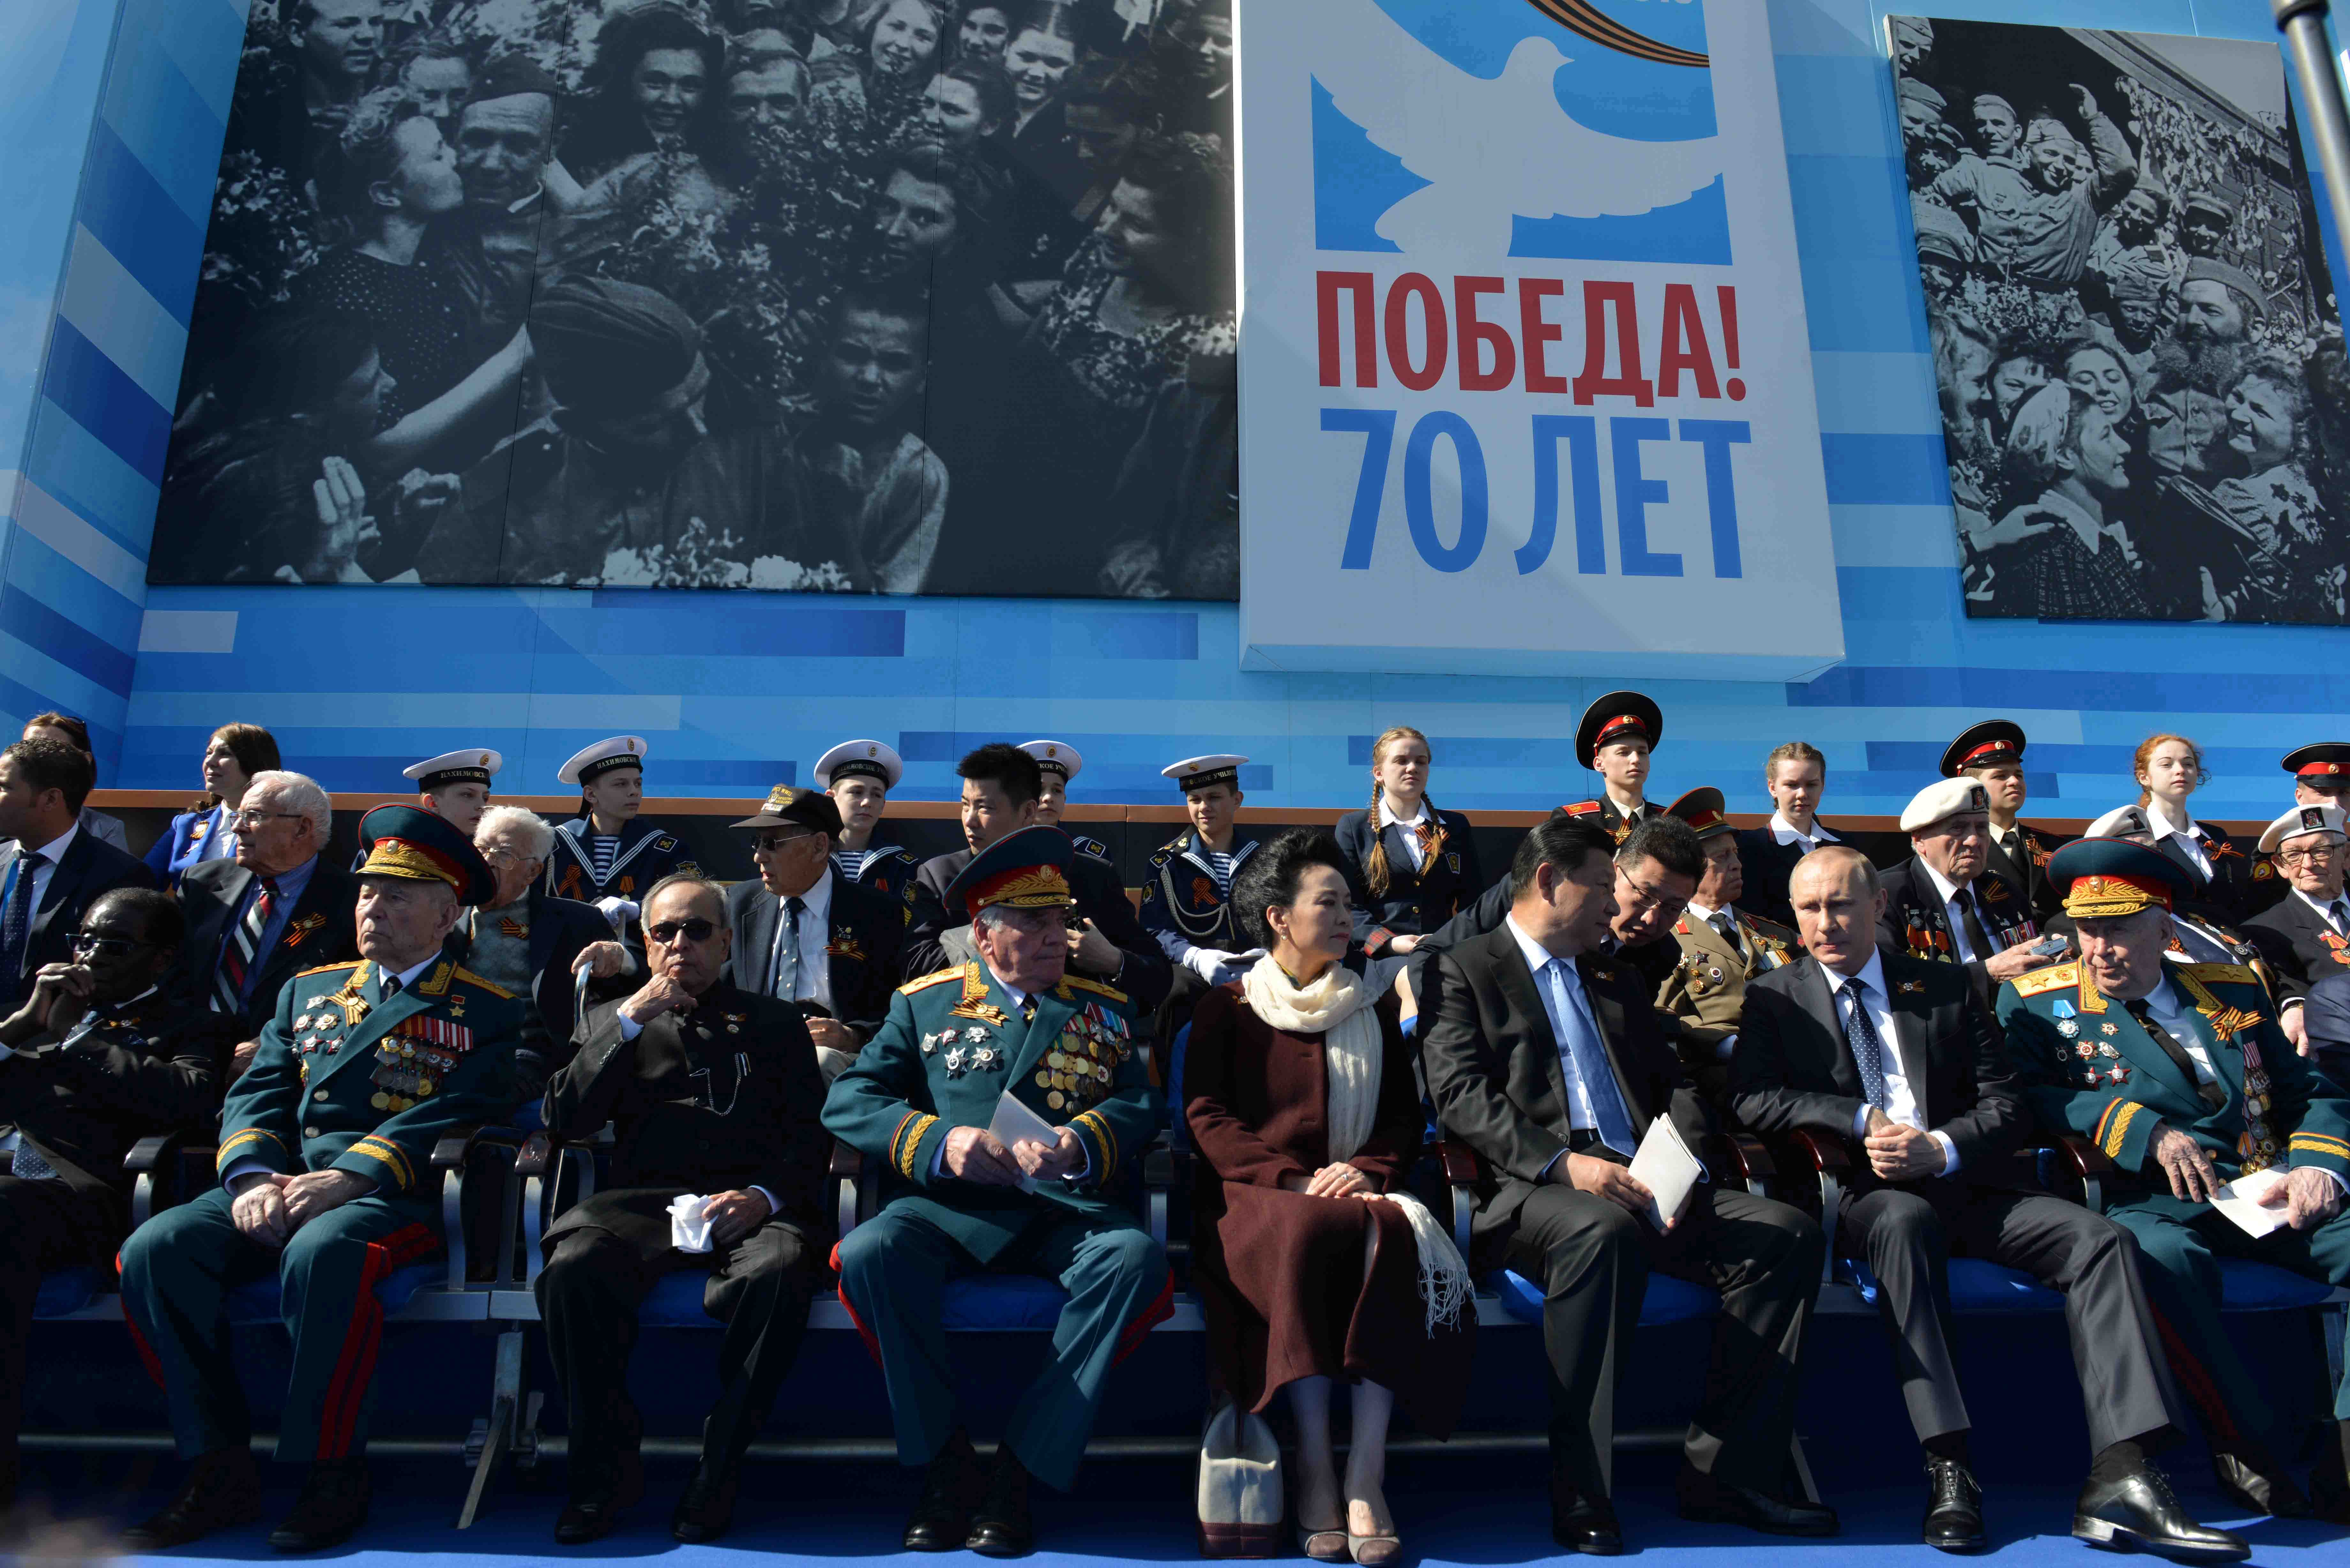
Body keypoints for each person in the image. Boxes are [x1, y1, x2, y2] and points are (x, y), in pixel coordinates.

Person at [1736, 845, 2233, 1555]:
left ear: (1877, 906)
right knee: (1905, 1221)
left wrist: (1939, 1146)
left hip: (1970, 1183)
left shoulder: (1941, 986)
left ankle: (2123, 1473)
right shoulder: (1774, 996)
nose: (1826, 923)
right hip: (1866, 1196)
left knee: (2101, 1240)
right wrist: (1856, 1119)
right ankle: (1949, 1464)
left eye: (1841, 904)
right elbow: (1754, 1098)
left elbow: (2007, 1104)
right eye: (1809, 909)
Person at [1418, 814, 1832, 1552]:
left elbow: (1672, 1082)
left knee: (1785, 1235)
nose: (1615, 907)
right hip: (1533, 1187)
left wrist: (1676, 1159)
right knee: (1599, 1231)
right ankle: (1582, 1485)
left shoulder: (1612, 972)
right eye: (1602, 887)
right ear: (1549, 880)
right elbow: (1462, 1097)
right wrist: (1565, 1162)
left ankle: (1727, 1471)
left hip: (1640, 1177)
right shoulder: (1463, 965)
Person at [118, 805, 524, 1552]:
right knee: (156, 1246)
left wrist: (351, 1174)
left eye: (397, 896)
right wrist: (250, 1176)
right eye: (368, 891)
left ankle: (329, 1470)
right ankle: (216, 1465)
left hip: (395, 1193)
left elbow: (470, 1105)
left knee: (325, 1251)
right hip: (283, 1180)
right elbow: (259, 1090)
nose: (373, 906)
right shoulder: (310, 990)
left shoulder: (489, 1007)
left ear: (445, 913)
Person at [825, 825, 1169, 1556]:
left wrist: (1083, 1140)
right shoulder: (924, 1003)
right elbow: (851, 1097)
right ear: (984, 932)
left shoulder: (1101, 1008)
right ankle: (945, 1463)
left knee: (1133, 1256)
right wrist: (939, 1141)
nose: (1057, 934)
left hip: (1062, 1209)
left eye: (1061, 919)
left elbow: (1141, 1103)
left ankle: (1020, 1468)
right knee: (870, 1249)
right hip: (949, 1206)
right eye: (1036, 921)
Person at [2003, 838, 2350, 1525]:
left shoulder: (2227, 987)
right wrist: (2139, 1129)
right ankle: (2243, 1441)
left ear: (2164, 929)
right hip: (2149, 1198)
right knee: (2161, 1261)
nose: (2098, 947)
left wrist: (2316, 1163)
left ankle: (2343, 1453)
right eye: (2085, 928)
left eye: (2117, 928)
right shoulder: (2034, 1002)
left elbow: (2308, 1089)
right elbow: (2024, 1097)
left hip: (2263, 1186)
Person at [1184, 830, 1472, 1565]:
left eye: (1349, 902)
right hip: (1255, 1197)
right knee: (1311, 1232)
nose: (1348, 916)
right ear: (1279, 916)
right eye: (1329, 902)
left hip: (1353, 1187)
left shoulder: (1368, 1003)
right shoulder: (1230, 1006)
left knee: (1391, 1232)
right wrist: (1290, 1178)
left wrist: (1370, 1169)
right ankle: (1313, 1460)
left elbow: (1404, 1119)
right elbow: (1209, 1117)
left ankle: (1364, 1473)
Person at [537, 874, 830, 1544]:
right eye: (664, 932)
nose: (680, 945)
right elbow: (567, 1118)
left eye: (697, 930)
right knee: (574, 1264)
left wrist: (764, 1197)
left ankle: (718, 1466)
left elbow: (810, 1137)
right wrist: (631, 1018)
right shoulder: (614, 1018)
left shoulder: (777, 1022)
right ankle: (603, 1471)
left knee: (780, 1270)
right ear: (644, 943)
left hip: (749, 1198)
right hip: (646, 1199)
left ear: (726, 941)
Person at [0, 890, 233, 1509]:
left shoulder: (188, 1023)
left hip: (79, 1191)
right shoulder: (31, 1013)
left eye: (115, 944)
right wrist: (23, 1024)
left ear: (158, 961)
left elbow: (188, 1098)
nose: (92, 954)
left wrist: (75, 1040)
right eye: (84, 939)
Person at [900, 744, 1169, 1011]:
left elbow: (1158, 976)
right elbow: (914, 967)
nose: (969, 820)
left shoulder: (1093, 877)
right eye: (965, 805)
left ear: (1028, 811)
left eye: (985, 808)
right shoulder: (940, 876)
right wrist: (1000, 950)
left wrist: (1112, 960)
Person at [295, 88, 473, 430]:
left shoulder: (427, 256)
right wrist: (514, 360)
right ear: (386, 195)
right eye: (437, 156)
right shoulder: (349, 294)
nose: (455, 158)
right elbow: (377, 444)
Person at [722, 784, 903, 1079]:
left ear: (820, 846)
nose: (759, 856)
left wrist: (853, 1036)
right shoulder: (738, 904)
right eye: (757, 842)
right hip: (751, 1044)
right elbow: (719, 987)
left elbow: (896, 1005)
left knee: (815, 1063)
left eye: (773, 843)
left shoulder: (877, 913)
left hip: (834, 1055)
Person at [175, 770, 359, 1047]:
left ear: (302, 828)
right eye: (238, 816)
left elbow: (353, 998)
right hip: (185, 1044)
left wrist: (272, 1048)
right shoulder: (200, 883)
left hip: (282, 1061)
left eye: (254, 816)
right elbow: (168, 973)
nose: (238, 827)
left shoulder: (352, 901)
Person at [460, 807, 629, 1101]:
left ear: (533, 872)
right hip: (447, 1041)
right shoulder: (443, 913)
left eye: (504, 855)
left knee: (486, 1086)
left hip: (526, 1052)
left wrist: (618, 955)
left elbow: (623, 994)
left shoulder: (576, 921)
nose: (487, 861)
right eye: (482, 848)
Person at [792, 289, 948, 595]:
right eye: (852, 355)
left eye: (894, 363)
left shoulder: (920, 475)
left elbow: (885, 610)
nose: (869, 378)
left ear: (923, 378)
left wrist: (840, 516)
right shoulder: (787, 439)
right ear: (825, 357)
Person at [1653, 788, 1800, 1108]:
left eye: (1735, 854)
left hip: (1790, 1066)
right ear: (1689, 870)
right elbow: (1660, 1019)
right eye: (1722, 858)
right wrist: (1725, 1044)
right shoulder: (1663, 936)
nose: (1736, 865)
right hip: (1717, 1078)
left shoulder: (1778, 935)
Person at [0, 739, 157, 1016]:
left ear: (51, 799)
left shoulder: (120, 876)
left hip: (58, 1045)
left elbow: (117, 981)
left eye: (4, 787)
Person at [425, 57, 563, 355]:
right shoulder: (423, 221)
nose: (491, 164)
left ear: (552, 148)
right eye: (477, 141)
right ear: (453, 138)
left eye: (518, 146)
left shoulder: (567, 242)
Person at [1982, 384, 2151, 621]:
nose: (2125, 446)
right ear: (2063, 457)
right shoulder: (2055, 560)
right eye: (2105, 436)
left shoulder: (2093, 539)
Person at [1877, 778, 2047, 1011]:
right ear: (1920, 840)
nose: (1974, 840)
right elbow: (1893, 981)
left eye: (1982, 828)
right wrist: (1987, 974)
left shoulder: (2003, 891)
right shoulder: (1889, 895)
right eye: (1958, 828)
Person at [1333, 726, 1480, 961]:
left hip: (1444, 955)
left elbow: (1473, 900)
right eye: (1401, 761)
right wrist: (1389, 942)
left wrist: (1454, 942)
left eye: (1421, 762)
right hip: (1378, 959)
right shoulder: (1354, 827)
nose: (1412, 768)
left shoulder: (1455, 826)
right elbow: (1346, 904)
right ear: (1379, 773)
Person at [543, 737, 704, 936]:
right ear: (591, 795)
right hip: (563, 956)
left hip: (636, 957)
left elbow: (693, 899)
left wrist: (636, 909)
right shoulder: (554, 844)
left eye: (638, 784)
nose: (634, 792)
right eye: (621, 785)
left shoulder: (664, 849)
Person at [1140, 755, 1259, 989]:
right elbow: (1155, 929)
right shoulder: (1166, 863)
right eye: (1195, 799)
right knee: (1179, 993)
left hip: (1258, 965)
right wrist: (1195, 957)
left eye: (1214, 797)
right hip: (1193, 969)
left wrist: (1270, 954)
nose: (1204, 807)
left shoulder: (1264, 859)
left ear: (1237, 800)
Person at [1942, 720, 2063, 920]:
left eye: (2018, 775)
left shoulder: (2057, 847)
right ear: (1972, 788)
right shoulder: (1955, 849)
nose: (2014, 781)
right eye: (2000, 776)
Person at [2243, 807, 2350, 1030]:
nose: (2308, 864)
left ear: (2347, 856)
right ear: (2280, 866)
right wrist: (2296, 1008)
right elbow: (2288, 989)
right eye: (2293, 856)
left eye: (2321, 851)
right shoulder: (2265, 930)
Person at [2129, 734, 2253, 918]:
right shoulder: (2134, 837)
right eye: (2167, 765)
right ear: (2144, 777)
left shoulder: (2215, 836)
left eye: (2188, 764)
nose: (2180, 770)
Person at [1735, 740, 1839, 929]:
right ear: (1772, 788)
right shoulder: (1747, 848)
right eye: (1792, 785)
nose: (1802, 794)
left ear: (1823, 786)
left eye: (1811, 785)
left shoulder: (1845, 846)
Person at [815, 739, 922, 913]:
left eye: (877, 795)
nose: (867, 802)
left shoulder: (902, 866)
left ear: (883, 806)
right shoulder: (809, 857)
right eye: (856, 792)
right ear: (831, 798)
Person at [1559, 692, 1663, 844]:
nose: (1636, 759)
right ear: (1599, 764)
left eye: (1642, 753)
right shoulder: (1576, 822)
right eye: (1624, 753)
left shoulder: (1671, 821)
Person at [18, 714, 125, 853]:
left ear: (84, 760)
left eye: (52, 751)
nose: (36, 760)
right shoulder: (7, 821)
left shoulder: (106, 830)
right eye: (27, 749)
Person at [1018, 741, 1107, 859]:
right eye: (1039, 790)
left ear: (1064, 799)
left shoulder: (1090, 856)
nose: (1049, 798)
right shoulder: (1003, 850)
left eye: (1057, 791)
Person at [401, 748, 501, 838]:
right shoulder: (412, 853)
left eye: (485, 798)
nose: (482, 806)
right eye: (468, 795)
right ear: (433, 804)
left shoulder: (488, 855)